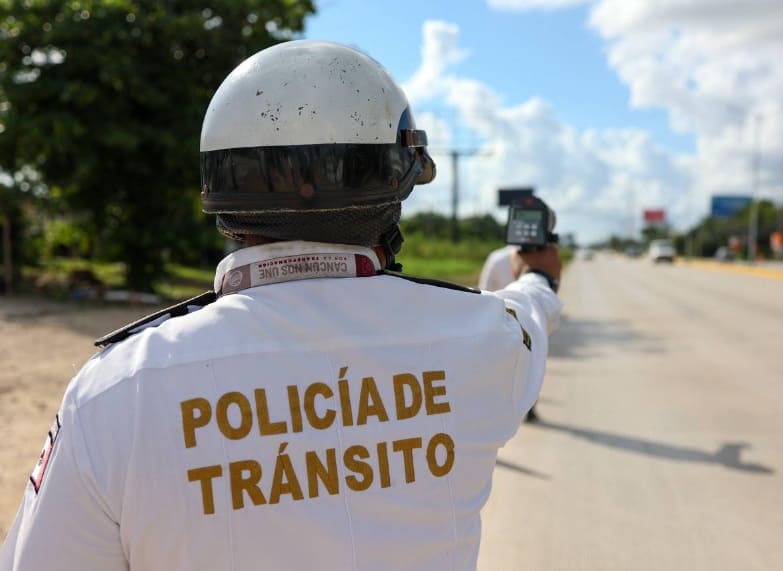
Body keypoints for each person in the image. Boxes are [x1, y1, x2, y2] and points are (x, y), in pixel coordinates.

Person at [0, 40, 562, 570]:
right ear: (392, 190)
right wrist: (538, 274)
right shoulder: (484, 339)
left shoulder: (117, 389)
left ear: (223, 196)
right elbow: (531, 309)